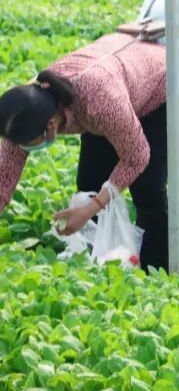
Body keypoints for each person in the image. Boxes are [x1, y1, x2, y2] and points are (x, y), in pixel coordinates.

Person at [0, 33, 170, 270]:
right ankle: (101, 265)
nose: (22, 149)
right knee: (90, 183)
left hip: (161, 86)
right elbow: (4, 176)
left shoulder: (99, 101)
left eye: (28, 143)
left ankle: (158, 269)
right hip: (115, 86)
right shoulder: (25, 109)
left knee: (147, 189)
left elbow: (137, 156)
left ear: (51, 125)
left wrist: (91, 209)